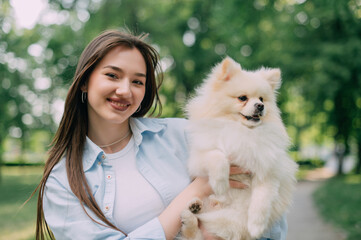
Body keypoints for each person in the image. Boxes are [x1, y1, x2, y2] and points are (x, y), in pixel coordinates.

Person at [35, 29, 287, 240]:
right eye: (112, 75)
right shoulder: (61, 182)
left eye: (137, 81)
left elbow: (266, 206)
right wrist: (199, 188)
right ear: (84, 80)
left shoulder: (183, 134)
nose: (125, 90)